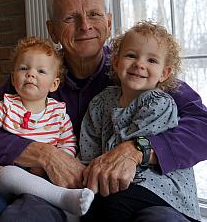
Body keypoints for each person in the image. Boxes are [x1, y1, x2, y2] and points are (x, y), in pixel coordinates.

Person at [0, 0, 206, 222]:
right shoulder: (35, 74)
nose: (85, 25)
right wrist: (45, 154)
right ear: (52, 30)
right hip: (50, 190)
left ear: (108, 23)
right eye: (70, 17)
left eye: (94, 15)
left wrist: (138, 149)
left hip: (144, 192)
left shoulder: (138, 72)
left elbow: (202, 125)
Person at [79, 21, 200, 221]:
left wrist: (101, 171)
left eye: (152, 60)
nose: (139, 64)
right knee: (88, 203)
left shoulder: (159, 102)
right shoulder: (101, 102)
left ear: (164, 73)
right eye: (131, 55)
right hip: (120, 182)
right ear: (116, 62)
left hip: (162, 187)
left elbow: (127, 150)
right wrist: (89, 173)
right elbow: (89, 145)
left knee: (110, 202)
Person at [0, 36, 94, 216]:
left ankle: (69, 206)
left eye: (41, 71)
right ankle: (62, 198)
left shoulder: (58, 113)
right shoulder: (6, 106)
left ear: (54, 84)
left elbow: (68, 142)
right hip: (8, 178)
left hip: (44, 175)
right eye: (24, 68)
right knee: (9, 174)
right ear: (13, 77)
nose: (31, 74)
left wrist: (56, 164)